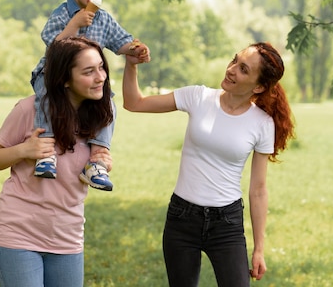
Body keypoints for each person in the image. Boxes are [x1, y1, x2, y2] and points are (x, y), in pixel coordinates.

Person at [122, 42, 295, 287]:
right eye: (235, 60)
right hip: (182, 218)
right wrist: (131, 66)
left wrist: (259, 249)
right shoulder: (198, 97)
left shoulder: (262, 123)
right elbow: (134, 103)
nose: (232, 69)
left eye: (244, 69)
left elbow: (258, 189)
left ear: (258, 86)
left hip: (227, 224)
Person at [0, 37, 116, 287]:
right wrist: (25, 150)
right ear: (65, 79)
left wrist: (102, 162)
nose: (100, 77)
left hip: (67, 237)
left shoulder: (100, 117)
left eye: (101, 67)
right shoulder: (29, 110)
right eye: (89, 71)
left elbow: (80, 168)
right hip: (18, 235)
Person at [30, 0, 150, 191]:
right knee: (45, 96)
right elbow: (53, 47)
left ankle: (97, 159)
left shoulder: (104, 20)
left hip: (87, 82)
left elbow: (121, 42)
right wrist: (74, 24)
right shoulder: (62, 14)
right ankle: (45, 151)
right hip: (53, 75)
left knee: (108, 104)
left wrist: (135, 49)